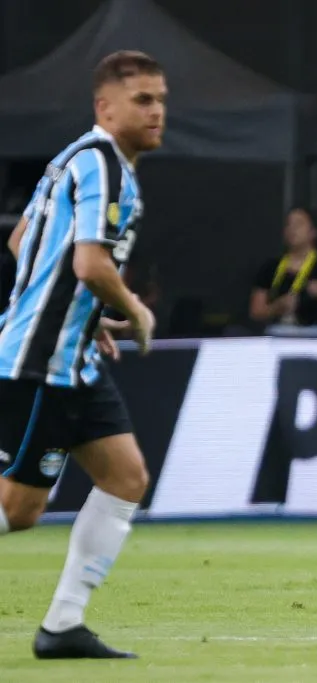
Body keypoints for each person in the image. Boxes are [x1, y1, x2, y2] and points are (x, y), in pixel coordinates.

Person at [0, 50, 164, 659]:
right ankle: (62, 625)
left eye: (161, 99)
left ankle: (63, 626)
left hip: (72, 359)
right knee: (18, 511)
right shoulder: (103, 166)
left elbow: (22, 240)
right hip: (40, 362)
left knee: (126, 477)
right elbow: (90, 263)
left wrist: (85, 312)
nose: (157, 111)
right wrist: (134, 309)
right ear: (105, 106)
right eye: (143, 100)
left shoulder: (75, 159)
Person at [249, 207, 317, 336]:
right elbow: (255, 312)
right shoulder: (271, 267)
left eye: (299, 224)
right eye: (288, 224)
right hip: (281, 332)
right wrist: (276, 307)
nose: (292, 229)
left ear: (313, 232)